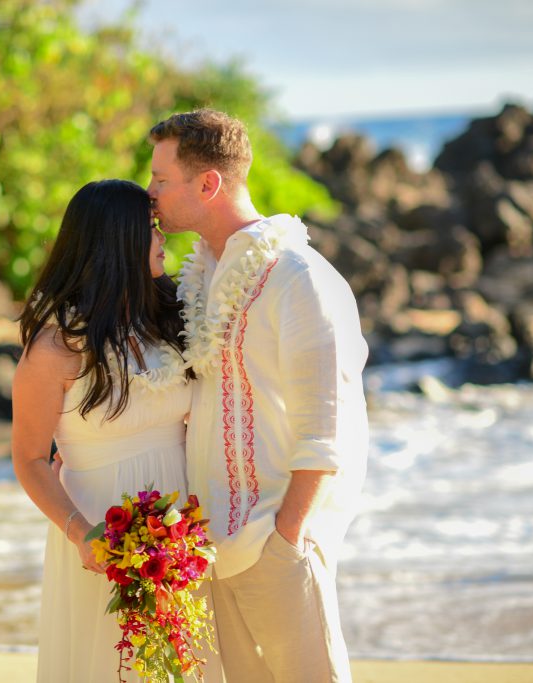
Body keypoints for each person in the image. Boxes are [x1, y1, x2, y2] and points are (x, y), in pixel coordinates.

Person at [147, 109, 369, 683]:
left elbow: (328, 430)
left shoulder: (299, 278)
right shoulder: (201, 275)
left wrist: (284, 541)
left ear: (208, 184)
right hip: (211, 548)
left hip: (275, 543)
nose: (151, 194)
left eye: (161, 180)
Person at [11, 179, 219, 682]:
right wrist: (83, 535)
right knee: (111, 664)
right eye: (149, 229)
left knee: (184, 665)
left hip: (181, 527)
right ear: (118, 242)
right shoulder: (57, 348)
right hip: (99, 532)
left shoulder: (170, 318)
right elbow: (30, 459)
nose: (162, 236)